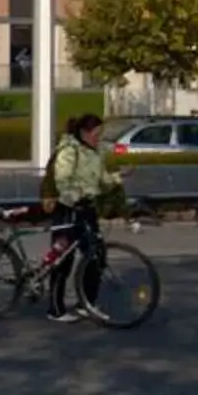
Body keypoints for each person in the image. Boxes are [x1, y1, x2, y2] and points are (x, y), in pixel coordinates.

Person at [45, 112, 122, 317]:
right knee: (63, 259)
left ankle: (87, 303)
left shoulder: (95, 153)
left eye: (100, 133)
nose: (99, 137)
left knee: (96, 255)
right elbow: (62, 179)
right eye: (96, 133)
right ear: (84, 133)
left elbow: (102, 181)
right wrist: (74, 196)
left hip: (87, 209)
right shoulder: (69, 151)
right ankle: (55, 309)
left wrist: (117, 178)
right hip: (68, 210)